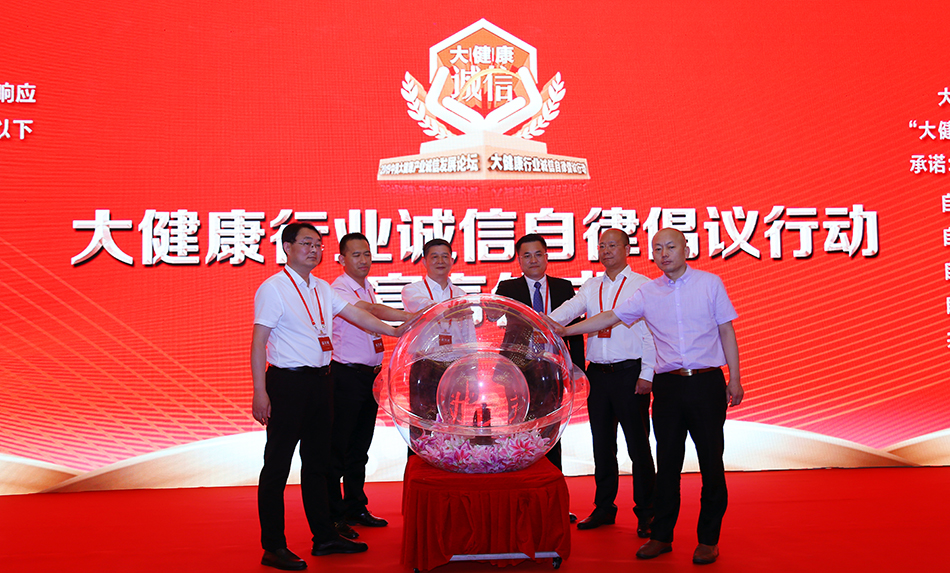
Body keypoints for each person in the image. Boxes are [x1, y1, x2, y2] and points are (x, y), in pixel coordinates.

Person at [560, 228, 744, 565]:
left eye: (670, 247)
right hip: (668, 387)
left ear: (686, 248)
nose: (664, 254)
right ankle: (661, 535)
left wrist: (735, 378)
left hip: (706, 384)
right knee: (667, 464)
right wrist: (566, 330)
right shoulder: (648, 292)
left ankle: (708, 539)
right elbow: (610, 317)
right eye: (658, 249)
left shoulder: (710, 283)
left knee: (710, 463)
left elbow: (726, 330)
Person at [251, 223, 407, 571]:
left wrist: (396, 330)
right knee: (277, 466)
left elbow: (358, 315)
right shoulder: (273, 288)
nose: (313, 250)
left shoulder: (322, 288)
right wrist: (260, 392)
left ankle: (324, 536)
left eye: (318, 245)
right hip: (287, 384)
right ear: (287, 247)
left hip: (322, 382)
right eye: (306, 243)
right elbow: (258, 342)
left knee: (318, 465)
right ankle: (273, 546)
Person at [548, 228, 657, 537]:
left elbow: (650, 333)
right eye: (601, 245)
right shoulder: (591, 285)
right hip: (598, 375)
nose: (606, 250)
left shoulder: (641, 285)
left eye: (612, 245)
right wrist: (545, 322)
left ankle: (647, 511)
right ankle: (604, 507)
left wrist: (647, 374)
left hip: (630, 373)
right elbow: (570, 309)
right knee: (602, 444)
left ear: (626, 249)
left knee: (638, 445)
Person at [327, 233, 416, 540]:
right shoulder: (338, 289)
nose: (364, 260)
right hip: (345, 376)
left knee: (359, 447)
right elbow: (372, 312)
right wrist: (407, 321)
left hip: (369, 377)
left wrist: (408, 320)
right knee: (338, 448)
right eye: (356, 255)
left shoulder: (367, 286)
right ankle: (333, 516)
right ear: (341, 259)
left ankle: (355, 506)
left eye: (367, 254)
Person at [494, 233, 586, 473]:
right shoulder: (508, 287)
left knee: (551, 428)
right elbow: (493, 316)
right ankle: (520, 479)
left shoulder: (563, 287)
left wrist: (576, 369)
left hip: (554, 368)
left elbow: (573, 329)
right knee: (519, 426)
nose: (533, 260)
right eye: (527, 256)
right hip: (518, 368)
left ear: (546, 257)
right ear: (519, 260)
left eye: (538, 254)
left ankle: (552, 478)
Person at [400, 239, 470, 438]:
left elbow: (468, 335)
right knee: (422, 423)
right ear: (424, 261)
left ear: (452, 260)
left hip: (455, 365)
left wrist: (470, 367)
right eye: (435, 257)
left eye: (445, 256)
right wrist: (452, 309)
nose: (440, 261)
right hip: (426, 363)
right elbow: (428, 309)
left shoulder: (461, 294)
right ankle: (419, 458)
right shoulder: (412, 290)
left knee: (454, 421)